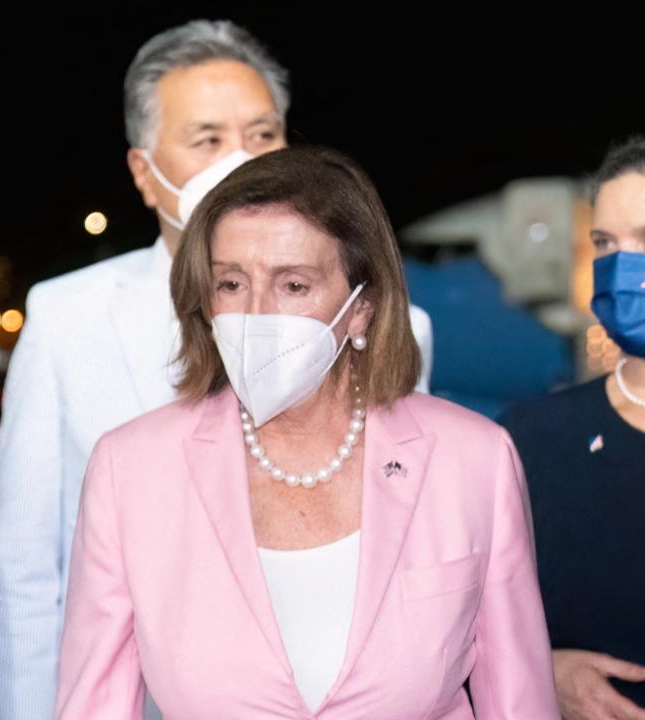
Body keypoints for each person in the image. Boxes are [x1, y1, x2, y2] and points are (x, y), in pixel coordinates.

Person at [0, 19, 434, 719]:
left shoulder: (390, 326)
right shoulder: (69, 319)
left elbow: (408, 556)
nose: (242, 162)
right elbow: (26, 577)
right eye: (208, 140)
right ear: (142, 172)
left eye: (261, 135)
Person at [56, 146, 558, 719]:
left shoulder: (473, 460)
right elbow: (93, 703)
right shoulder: (133, 470)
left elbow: (519, 700)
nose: (256, 313)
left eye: (293, 285)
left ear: (362, 308)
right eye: (230, 284)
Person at [499, 137, 645, 720]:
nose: (622, 267)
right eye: (606, 243)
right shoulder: (533, 439)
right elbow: (458, 626)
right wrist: (542, 671)